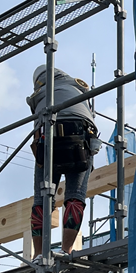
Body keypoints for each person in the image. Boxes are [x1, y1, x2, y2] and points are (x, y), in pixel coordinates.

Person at [28, 64, 101, 257]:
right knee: (75, 196)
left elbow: (36, 121)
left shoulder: (39, 95)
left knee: (42, 199)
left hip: (48, 139)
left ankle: (38, 254)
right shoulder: (79, 88)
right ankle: (66, 250)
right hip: (81, 138)